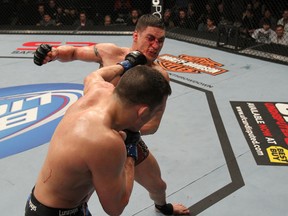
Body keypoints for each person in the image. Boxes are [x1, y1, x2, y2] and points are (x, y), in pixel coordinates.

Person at [33, 14, 190, 215]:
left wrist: (127, 135)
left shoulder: (158, 77)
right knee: (83, 188)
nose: (155, 45)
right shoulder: (111, 53)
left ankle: (162, 207)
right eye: (150, 38)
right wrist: (53, 53)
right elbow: (73, 52)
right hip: (94, 136)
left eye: (160, 41)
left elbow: (153, 124)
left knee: (158, 185)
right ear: (136, 35)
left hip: (128, 137)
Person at [25, 51, 172, 216]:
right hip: (57, 213)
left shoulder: (99, 90)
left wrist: (125, 65)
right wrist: (130, 152)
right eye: (154, 113)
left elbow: (94, 75)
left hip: (45, 202)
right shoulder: (107, 142)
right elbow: (115, 208)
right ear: (143, 112)